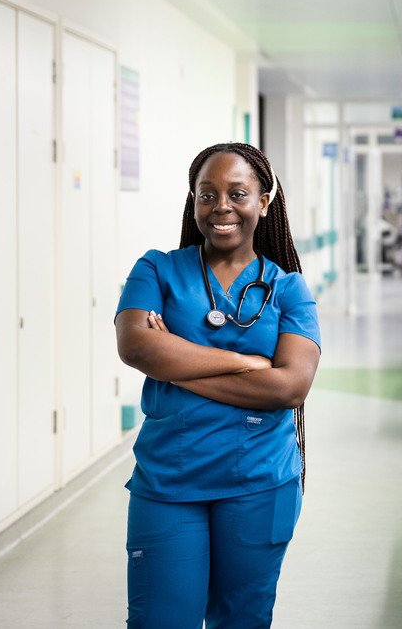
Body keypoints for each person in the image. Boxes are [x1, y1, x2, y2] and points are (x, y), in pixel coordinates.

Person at [114, 143, 321, 628]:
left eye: (237, 193)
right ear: (193, 201)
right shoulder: (156, 269)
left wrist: (178, 363)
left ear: (263, 202)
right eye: (207, 194)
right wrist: (244, 363)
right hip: (169, 483)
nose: (221, 206)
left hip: (259, 483)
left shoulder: (288, 288)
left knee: (241, 621)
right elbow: (136, 348)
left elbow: (290, 388)